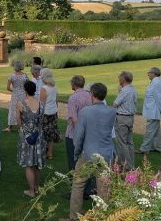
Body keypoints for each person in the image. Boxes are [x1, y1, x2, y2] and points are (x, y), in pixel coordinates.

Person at [66, 83, 116, 221]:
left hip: (88, 154)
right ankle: (103, 216)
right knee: (104, 187)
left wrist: (76, 153)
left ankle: (74, 217)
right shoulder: (112, 111)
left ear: (92, 94)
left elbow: (79, 135)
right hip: (106, 154)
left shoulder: (85, 112)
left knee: (78, 184)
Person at [17, 80, 46, 198]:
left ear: (25, 90)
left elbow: (18, 122)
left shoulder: (21, 103)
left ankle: (31, 190)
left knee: (29, 164)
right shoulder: (41, 103)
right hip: (38, 136)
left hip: (27, 137)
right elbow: (41, 120)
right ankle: (37, 188)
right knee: (37, 164)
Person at [137, 67, 161, 155]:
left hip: (154, 111)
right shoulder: (155, 82)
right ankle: (159, 148)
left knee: (149, 131)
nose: (148, 74)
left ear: (154, 73)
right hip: (152, 111)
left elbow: (159, 98)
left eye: (149, 72)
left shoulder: (156, 83)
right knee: (156, 131)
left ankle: (144, 149)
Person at [112, 71, 137, 170]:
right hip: (130, 118)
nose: (119, 79)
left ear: (123, 79)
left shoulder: (124, 91)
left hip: (122, 117)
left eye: (120, 78)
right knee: (129, 142)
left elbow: (115, 104)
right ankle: (131, 164)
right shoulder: (133, 90)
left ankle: (126, 165)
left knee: (122, 142)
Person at [39, 68, 61, 160]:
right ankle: (50, 153)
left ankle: (44, 152)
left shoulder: (44, 89)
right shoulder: (54, 87)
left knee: (43, 132)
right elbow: (56, 101)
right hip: (53, 112)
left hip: (45, 113)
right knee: (51, 132)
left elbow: (41, 104)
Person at [5, 60, 27, 132]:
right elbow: (28, 85)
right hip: (23, 94)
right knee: (22, 110)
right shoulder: (25, 75)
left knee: (12, 109)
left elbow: (8, 88)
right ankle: (21, 127)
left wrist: (14, 90)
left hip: (15, 94)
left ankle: (9, 127)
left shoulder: (12, 76)